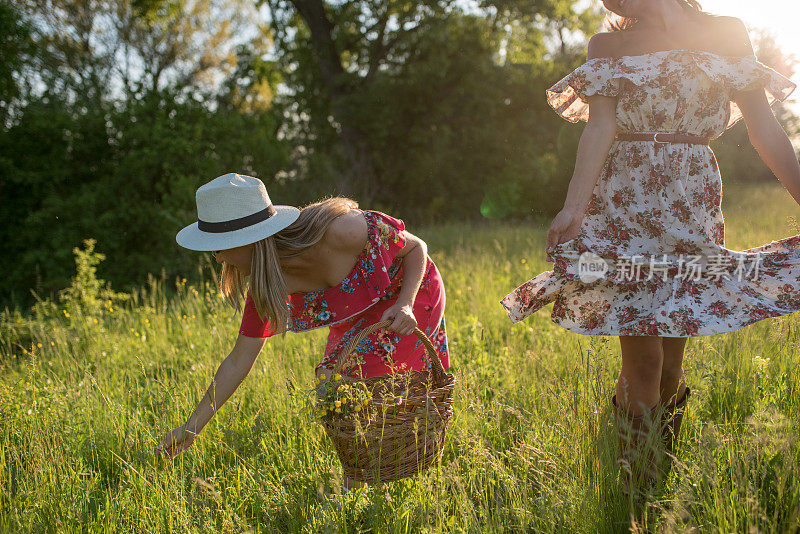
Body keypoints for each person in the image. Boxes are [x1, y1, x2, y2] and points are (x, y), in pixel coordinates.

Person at [501, 0, 800, 494]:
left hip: (692, 204)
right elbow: (599, 129)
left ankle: (662, 473)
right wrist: (574, 207)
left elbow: (763, 128)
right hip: (624, 203)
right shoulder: (609, 45)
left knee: (672, 363)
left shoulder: (727, 32)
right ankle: (639, 493)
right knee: (644, 361)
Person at [156, 174, 450, 479]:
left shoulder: (341, 231)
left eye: (218, 247)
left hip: (410, 293)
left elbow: (416, 247)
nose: (216, 258)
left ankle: (408, 461)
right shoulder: (266, 286)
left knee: (372, 383)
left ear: (247, 240)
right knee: (333, 385)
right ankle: (363, 476)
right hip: (359, 313)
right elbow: (237, 362)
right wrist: (191, 428)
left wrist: (404, 303)